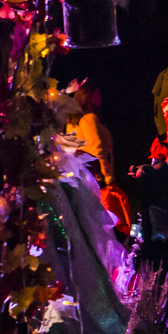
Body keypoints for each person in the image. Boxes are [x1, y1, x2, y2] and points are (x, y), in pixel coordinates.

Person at [66, 79, 131, 232]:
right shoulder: (89, 118)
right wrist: (109, 179)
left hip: (80, 177)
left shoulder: (71, 121)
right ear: (89, 95)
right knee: (108, 223)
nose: (100, 97)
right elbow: (98, 150)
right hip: (98, 179)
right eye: (97, 93)